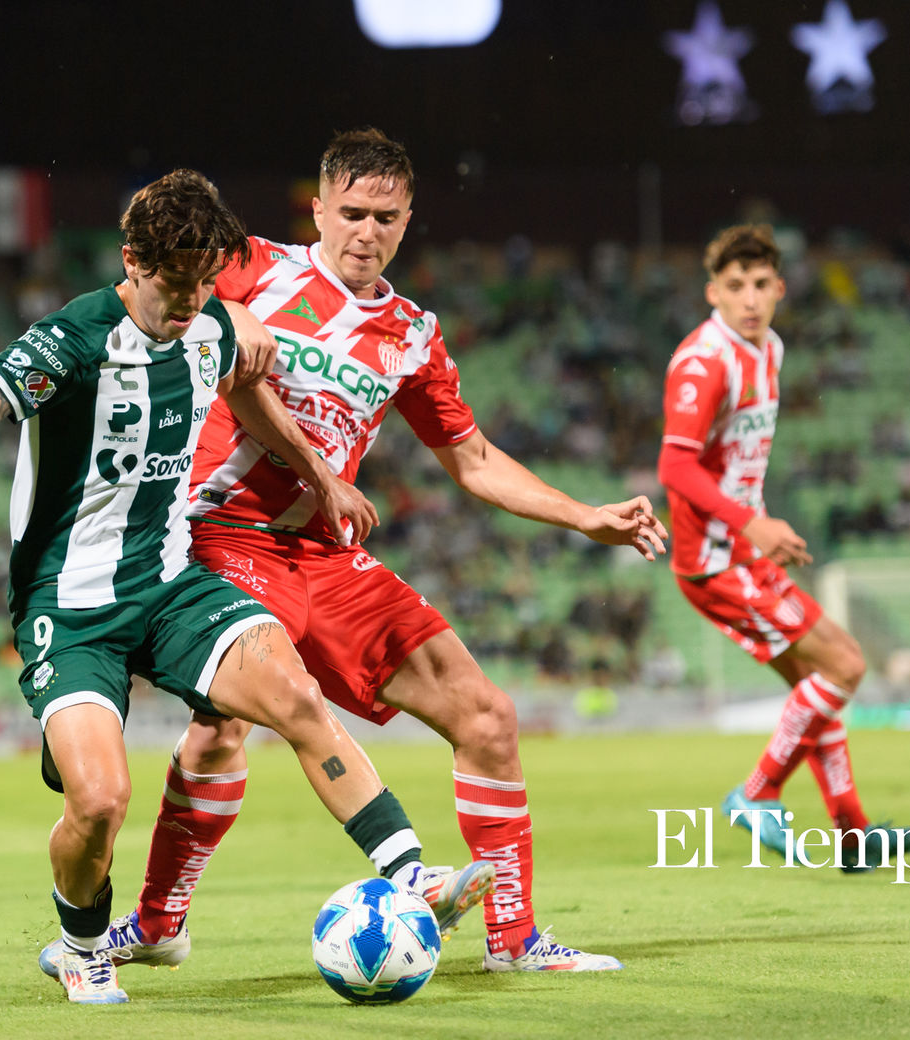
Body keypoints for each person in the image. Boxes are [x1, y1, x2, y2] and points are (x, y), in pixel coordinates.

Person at [0, 170, 491, 1005]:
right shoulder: (70, 342)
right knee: (102, 800)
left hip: (171, 582)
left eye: (205, 283)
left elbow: (248, 394)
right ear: (132, 261)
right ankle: (80, 944)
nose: (190, 302)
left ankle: (409, 875)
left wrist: (319, 477)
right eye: (174, 284)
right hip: (70, 610)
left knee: (295, 695)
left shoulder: (213, 323)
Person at [106, 130, 668, 975]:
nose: (366, 232)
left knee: (486, 715)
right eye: (353, 213)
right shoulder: (252, 266)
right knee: (225, 724)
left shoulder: (411, 333)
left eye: (387, 218)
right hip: (216, 533)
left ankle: (513, 939)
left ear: (409, 222)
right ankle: (160, 922)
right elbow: (149, 292)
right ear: (319, 209)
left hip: (324, 554)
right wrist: (231, 309)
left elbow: (472, 460)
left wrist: (582, 516)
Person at [656, 224, 910, 873]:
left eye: (760, 285)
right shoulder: (704, 361)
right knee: (846, 665)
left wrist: (757, 522)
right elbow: (675, 468)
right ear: (713, 294)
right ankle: (755, 794)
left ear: (779, 289)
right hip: (716, 559)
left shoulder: (770, 349)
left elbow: (736, 461)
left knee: (819, 687)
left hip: (744, 548)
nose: (749, 298)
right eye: (735, 287)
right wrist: (749, 524)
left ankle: (852, 834)